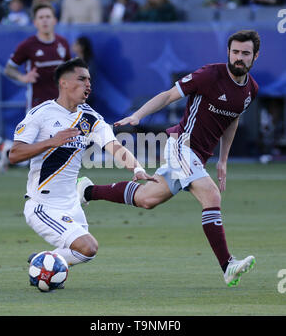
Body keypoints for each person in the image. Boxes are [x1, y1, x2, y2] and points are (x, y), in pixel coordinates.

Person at [77, 30, 260, 287]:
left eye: (245, 53)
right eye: (235, 52)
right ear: (228, 52)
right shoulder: (209, 75)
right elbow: (168, 95)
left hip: (199, 155)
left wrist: (223, 159)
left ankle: (88, 191)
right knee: (211, 196)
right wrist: (137, 116)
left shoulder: (251, 90)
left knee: (146, 199)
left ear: (255, 56)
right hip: (181, 145)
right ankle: (227, 265)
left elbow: (233, 119)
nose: (239, 58)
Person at [8, 58, 155, 287]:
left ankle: (43, 260)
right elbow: (14, 154)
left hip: (71, 205)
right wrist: (51, 142)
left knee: (86, 253)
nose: (89, 84)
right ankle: (44, 265)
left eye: (89, 80)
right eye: (82, 79)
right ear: (64, 83)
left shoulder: (90, 118)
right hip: (43, 205)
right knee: (88, 246)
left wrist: (137, 168)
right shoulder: (41, 114)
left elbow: (114, 146)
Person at [0, 2, 71, 173]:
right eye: (41, 17)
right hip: (36, 104)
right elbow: (9, 68)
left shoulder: (62, 43)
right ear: (35, 23)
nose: (45, 21)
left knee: (59, 145)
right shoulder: (28, 45)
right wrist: (23, 77)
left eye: (48, 17)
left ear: (55, 20)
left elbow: (69, 70)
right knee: (31, 150)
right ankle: (7, 151)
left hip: (60, 104)